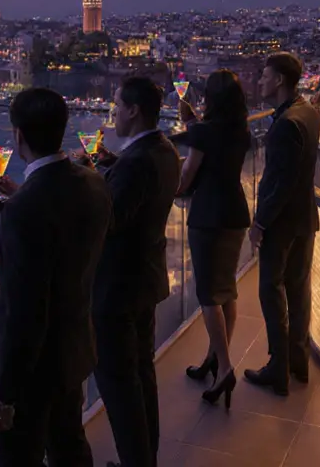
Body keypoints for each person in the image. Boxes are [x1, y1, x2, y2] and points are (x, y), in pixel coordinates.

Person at [0, 87, 111, 467]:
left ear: (18, 136)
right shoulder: (93, 183)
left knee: (19, 456)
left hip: (31, 370)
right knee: (69, 446)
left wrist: (4, 392)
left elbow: (22, 311)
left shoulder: (23, 210)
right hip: (74, 349)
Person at [85, 77, 179, 466]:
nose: (113, 114)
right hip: (146, 278)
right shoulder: (164, 150)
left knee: (119, 386)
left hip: (118, 288)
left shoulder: (136, 163)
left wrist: (89, 181)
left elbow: (111, 219)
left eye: (117, 106)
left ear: (134, 110)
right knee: (141, 376)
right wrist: (111, 166)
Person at [174, 69, 251, 409]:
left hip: (208, 215)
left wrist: (172, 191)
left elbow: (189, 171)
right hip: (235, 211)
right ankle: (214, 360)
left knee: (207, 293)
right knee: (226, 288)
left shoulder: (204, 133)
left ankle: (224, 367)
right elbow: (209, 138)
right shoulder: (242, 131)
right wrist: (193, 123)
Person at [246, 52, 320, 396]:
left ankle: (278, 368)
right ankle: (297, 361)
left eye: (264, 77)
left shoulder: (287, 123)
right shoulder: (308, 111)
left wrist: (259, 222)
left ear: (278, 81)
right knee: (298, 289)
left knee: (271, 292)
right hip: (304, 217)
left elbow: (280, 183)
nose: (259, 82)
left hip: (283, 224)